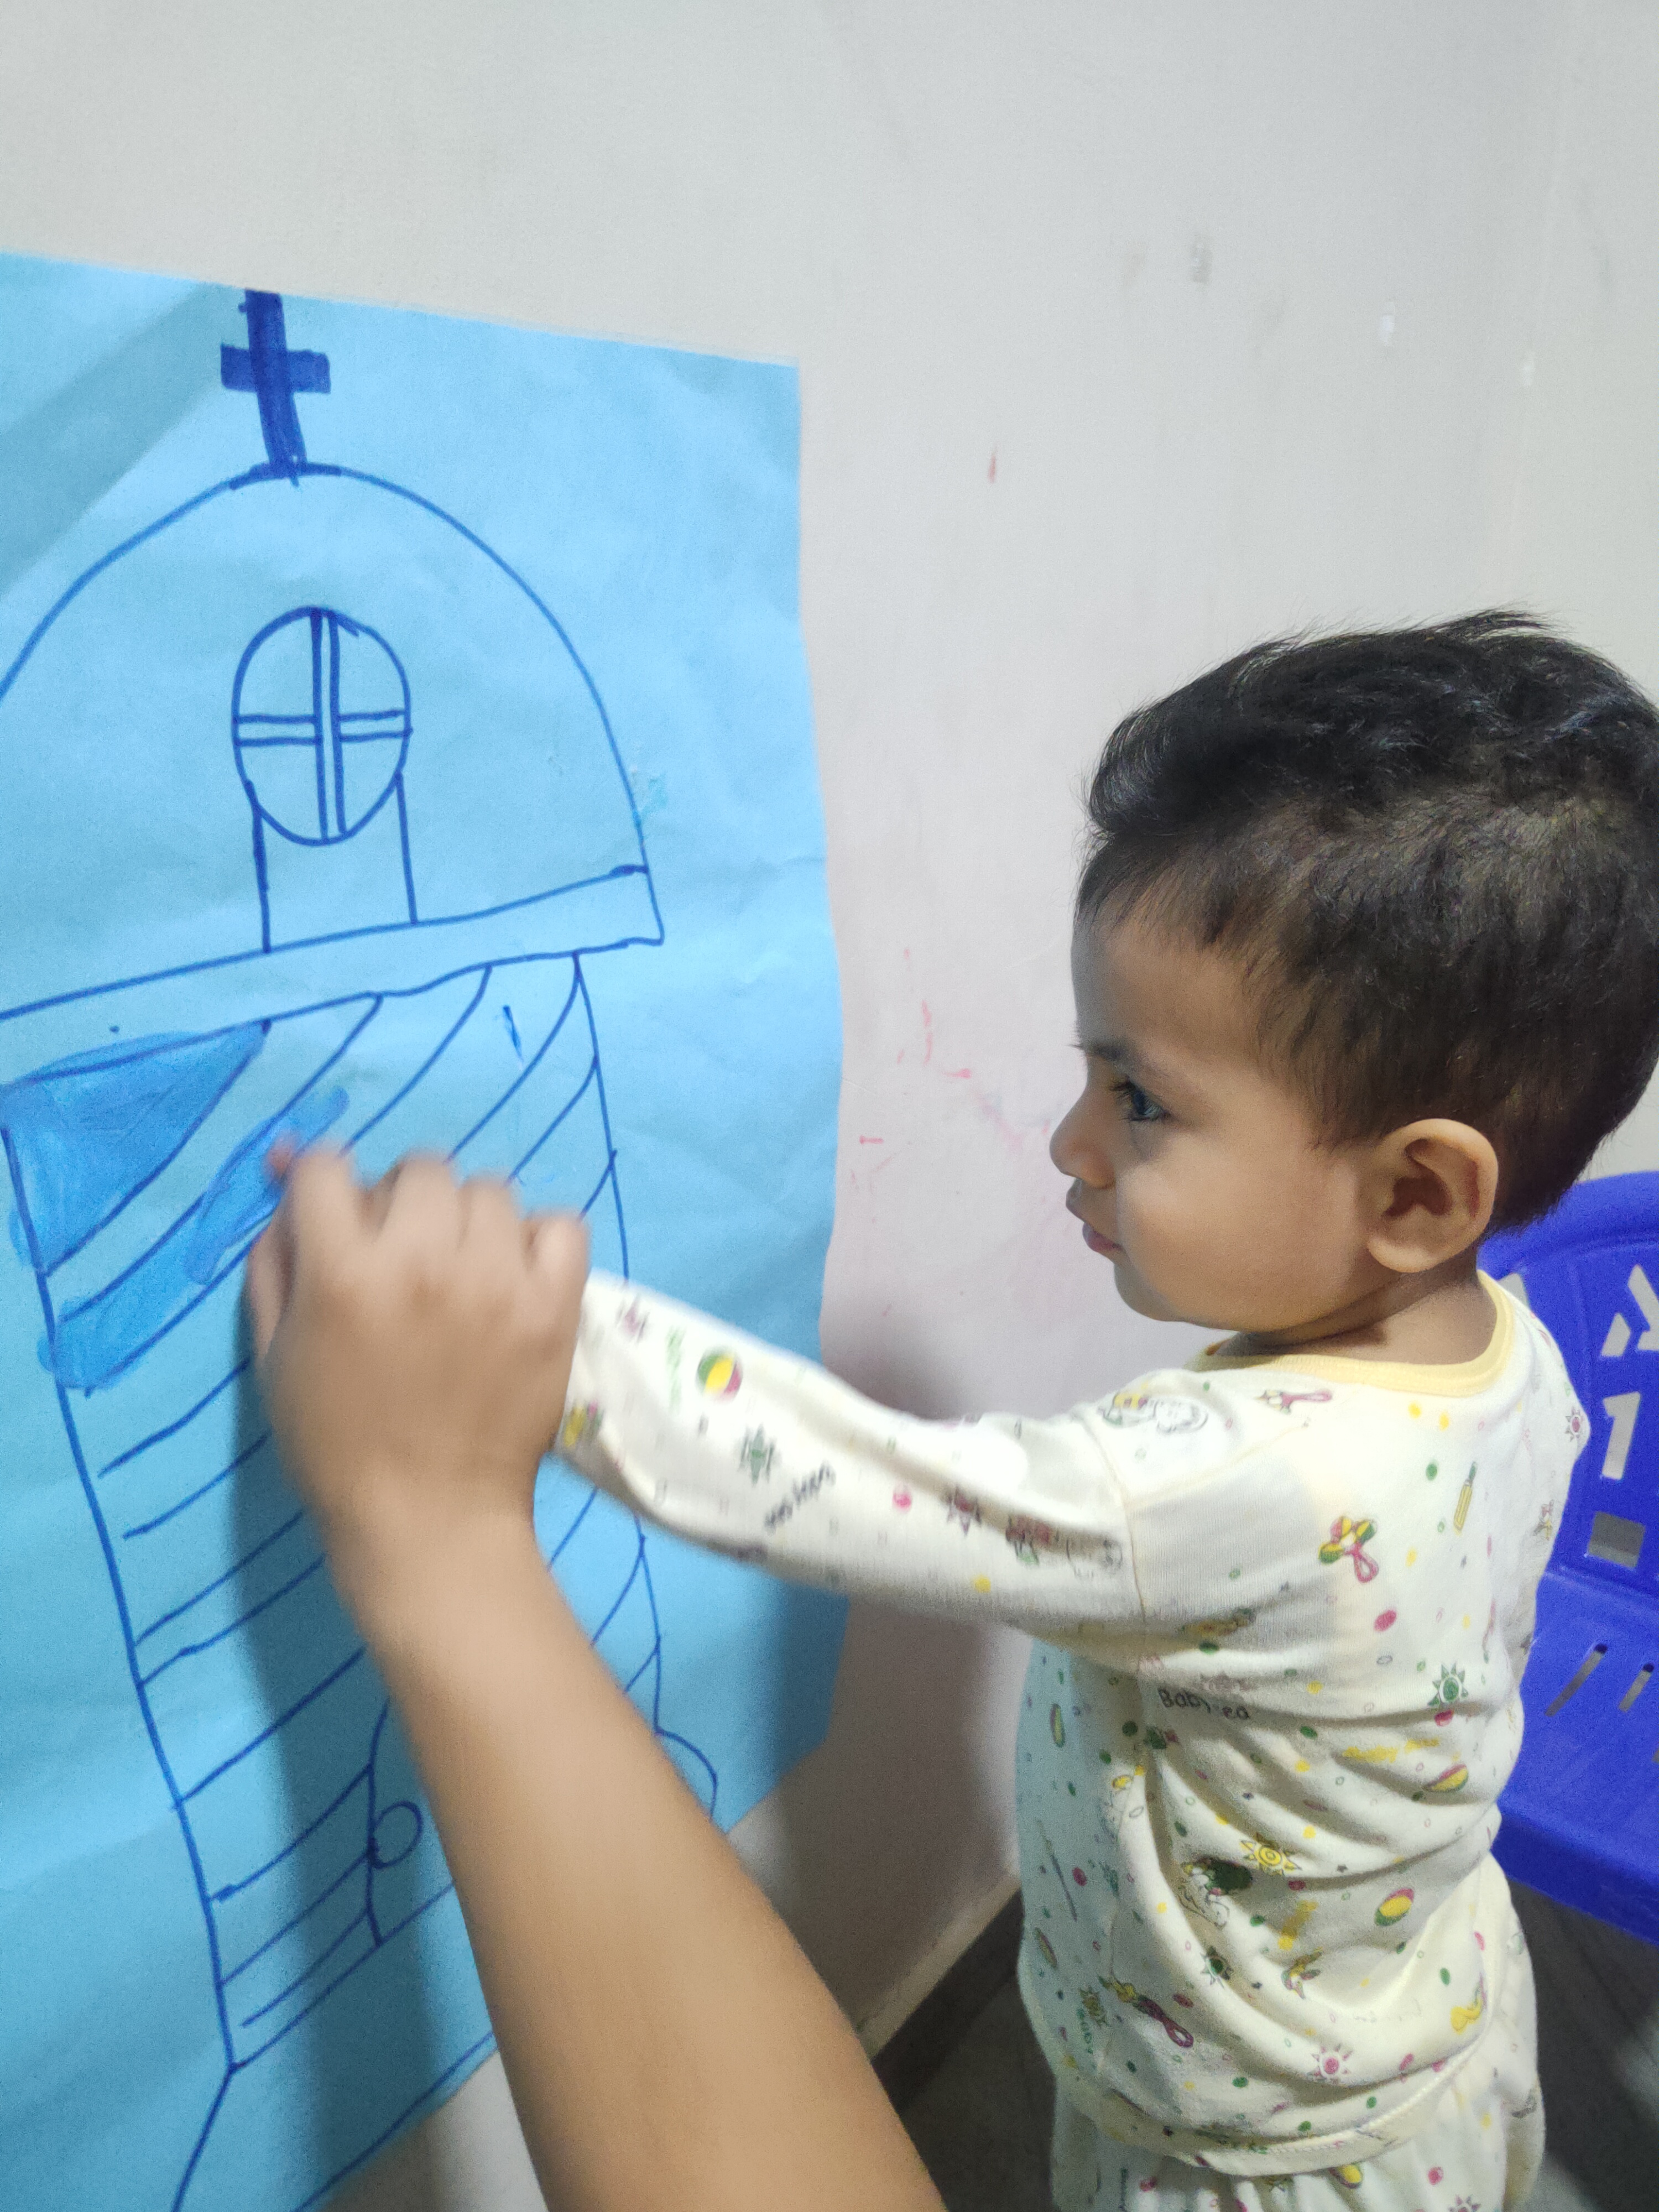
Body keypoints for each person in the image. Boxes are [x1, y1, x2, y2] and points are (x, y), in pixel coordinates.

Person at [251, 613, 1659, 2212]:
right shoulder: (1510, 1352)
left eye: (1141, 1099)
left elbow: (854, 1485)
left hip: (1245, 2158)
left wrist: (520, 1333)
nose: (1072, 1144)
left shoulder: (1239, 1490)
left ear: (1415, 1194)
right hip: (1435, 2039)